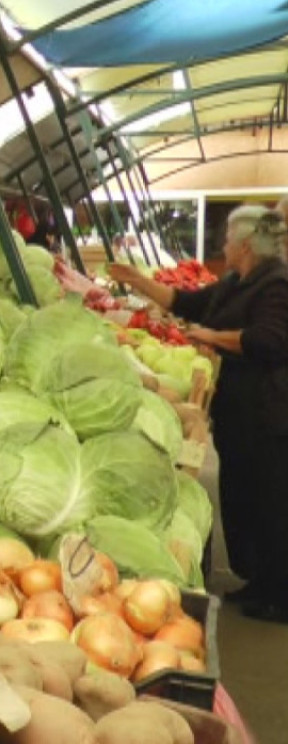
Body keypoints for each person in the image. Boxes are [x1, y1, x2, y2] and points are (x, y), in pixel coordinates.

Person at [107, 206, 288, 623]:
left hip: (268, 410)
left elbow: (268, 340)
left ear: (245, 244)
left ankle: (280, 592)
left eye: (227, 237)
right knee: (245, 495)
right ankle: (259, 580)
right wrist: (138, 282)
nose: (222, 244)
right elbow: (187, 302)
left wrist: (212, 337)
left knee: (272, 500)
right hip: (240, 412)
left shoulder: (277, 284)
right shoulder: (235, 281)